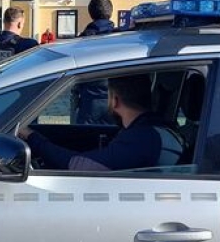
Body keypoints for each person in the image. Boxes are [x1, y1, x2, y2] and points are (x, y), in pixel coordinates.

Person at [19, 74, 184, 172]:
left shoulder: (144, 138)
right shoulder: (152, 131)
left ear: (114, 100)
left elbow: (81, 165)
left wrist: (32, 137)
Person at [75, 0, 118, 123]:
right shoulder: (121, 38)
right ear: (110, 13)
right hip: (118, 102)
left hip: (89, 101)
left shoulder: (81, 41)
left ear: (90, 14)